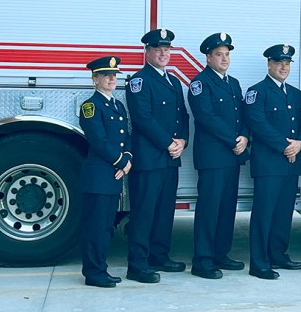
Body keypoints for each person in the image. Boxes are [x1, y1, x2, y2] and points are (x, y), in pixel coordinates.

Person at [125, 28, 189, 284]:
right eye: (158, 49)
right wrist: (168, 143)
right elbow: (143, 118)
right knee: (144, 212)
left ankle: (159, 255)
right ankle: (137, 264)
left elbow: (182, 115)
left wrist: (183, 140)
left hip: (170, 158)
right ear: (147, 51)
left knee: (164, 211)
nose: (163, 53)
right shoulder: (139, 81)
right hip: (149, 159)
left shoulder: (173, 81)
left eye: (167, 49)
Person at [243, 43, 301, 280]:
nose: (283, 67)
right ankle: (259, 263)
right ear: (269, 64)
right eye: (279, 62)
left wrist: (300, 144)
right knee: (264, 213)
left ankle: (279, 255)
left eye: (287, 63)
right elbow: (258, 124)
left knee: (284, 213)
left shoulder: (295, 94)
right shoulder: (257, 92)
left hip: (292, 163)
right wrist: (286, 146)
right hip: (269, 164)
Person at [187, 32, 249, 280]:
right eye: (219, 55)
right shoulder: (200, 83)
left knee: (226, 209)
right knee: (209, 209)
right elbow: (205, 117)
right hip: (213, 158)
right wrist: (234, 139)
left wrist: (244, 136)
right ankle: (202, 261)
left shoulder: (233, 83)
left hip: (232, 156)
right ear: (208, 57)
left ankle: (220, 254)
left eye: (227, 55)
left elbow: (242, 115)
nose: (224, 59)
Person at [79, 56, 132, 288]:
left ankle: (101, 268)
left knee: (106, 227)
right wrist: (121, 161)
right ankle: (93, 273)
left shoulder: (116, 105)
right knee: (96, 227)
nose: (112, 78)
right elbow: (98, 140)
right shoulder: (91, 106)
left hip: (112, 176)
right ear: (95, 78)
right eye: (106, 75)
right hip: (99, 176)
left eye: (114, 74)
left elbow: (125, 136)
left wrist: (128, 157)